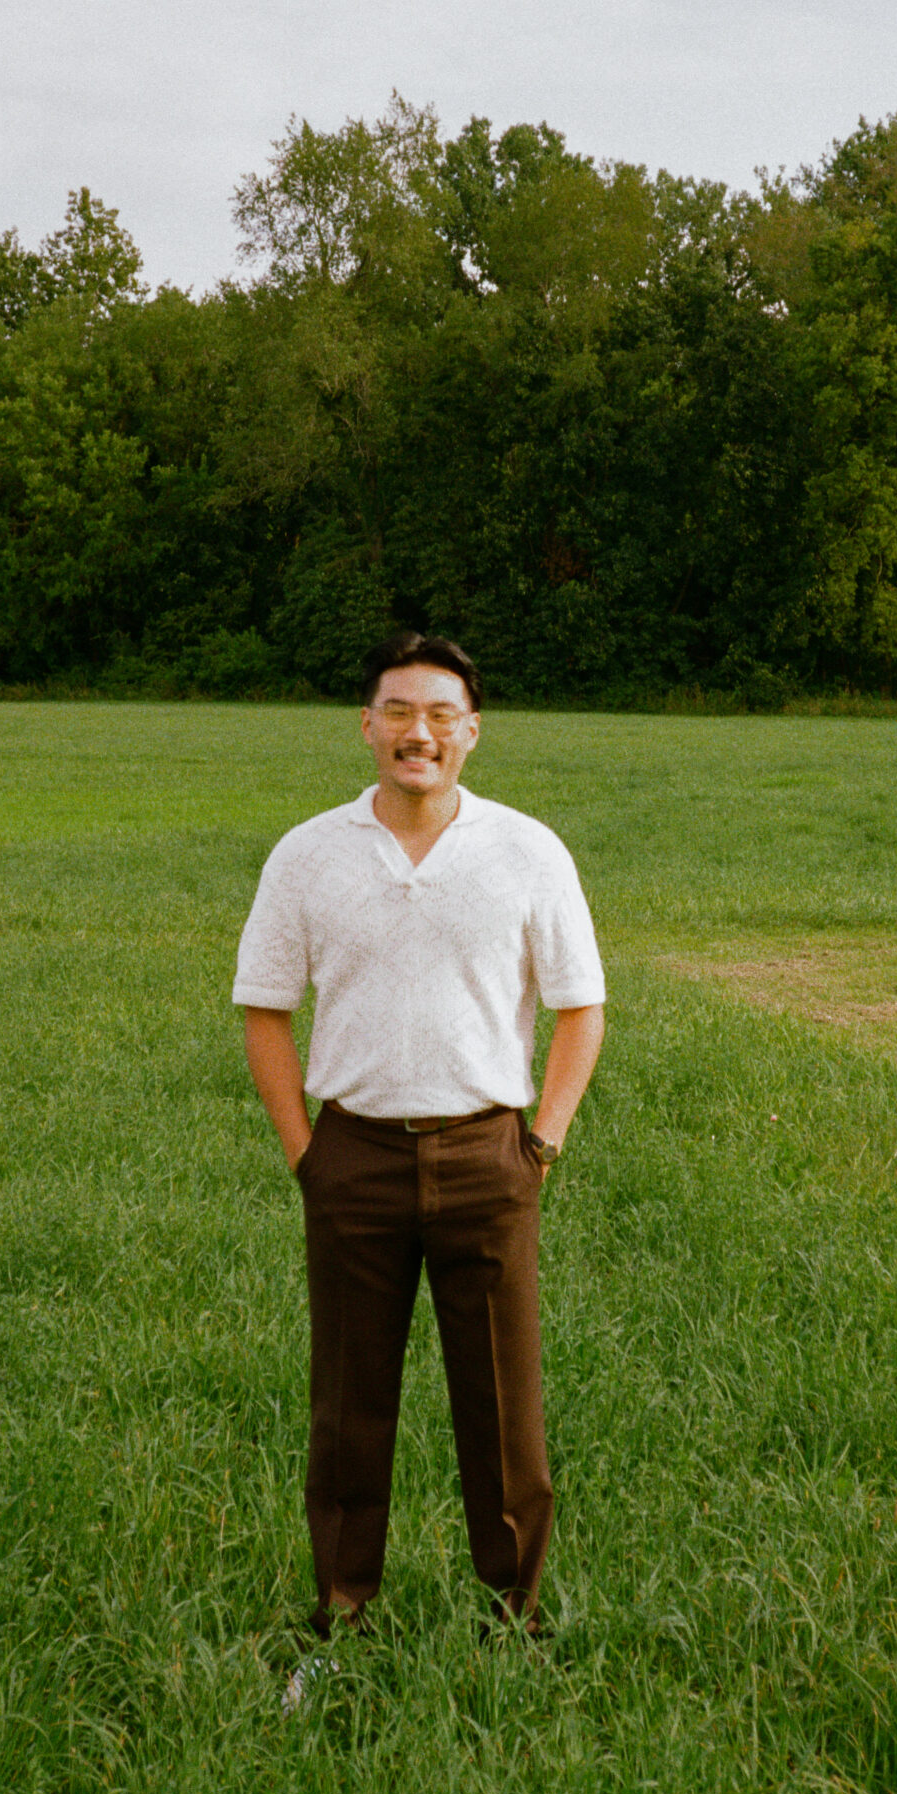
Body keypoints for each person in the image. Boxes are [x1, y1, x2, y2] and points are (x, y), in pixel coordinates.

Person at [234, 629, 606, 1639]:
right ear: (367, 727)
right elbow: (264, 1006)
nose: (419, 733)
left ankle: (512, 1621)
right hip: (352, 1158)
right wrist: (306, 1154)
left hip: (490, 1157)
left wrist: (544, 1142)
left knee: (504, 1415)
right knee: (348, 1410)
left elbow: (583, 1008)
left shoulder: (527, 851)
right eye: (399, 711)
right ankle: (342, 1618)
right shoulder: (308, 854)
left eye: (441, 715)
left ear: (472, 733)